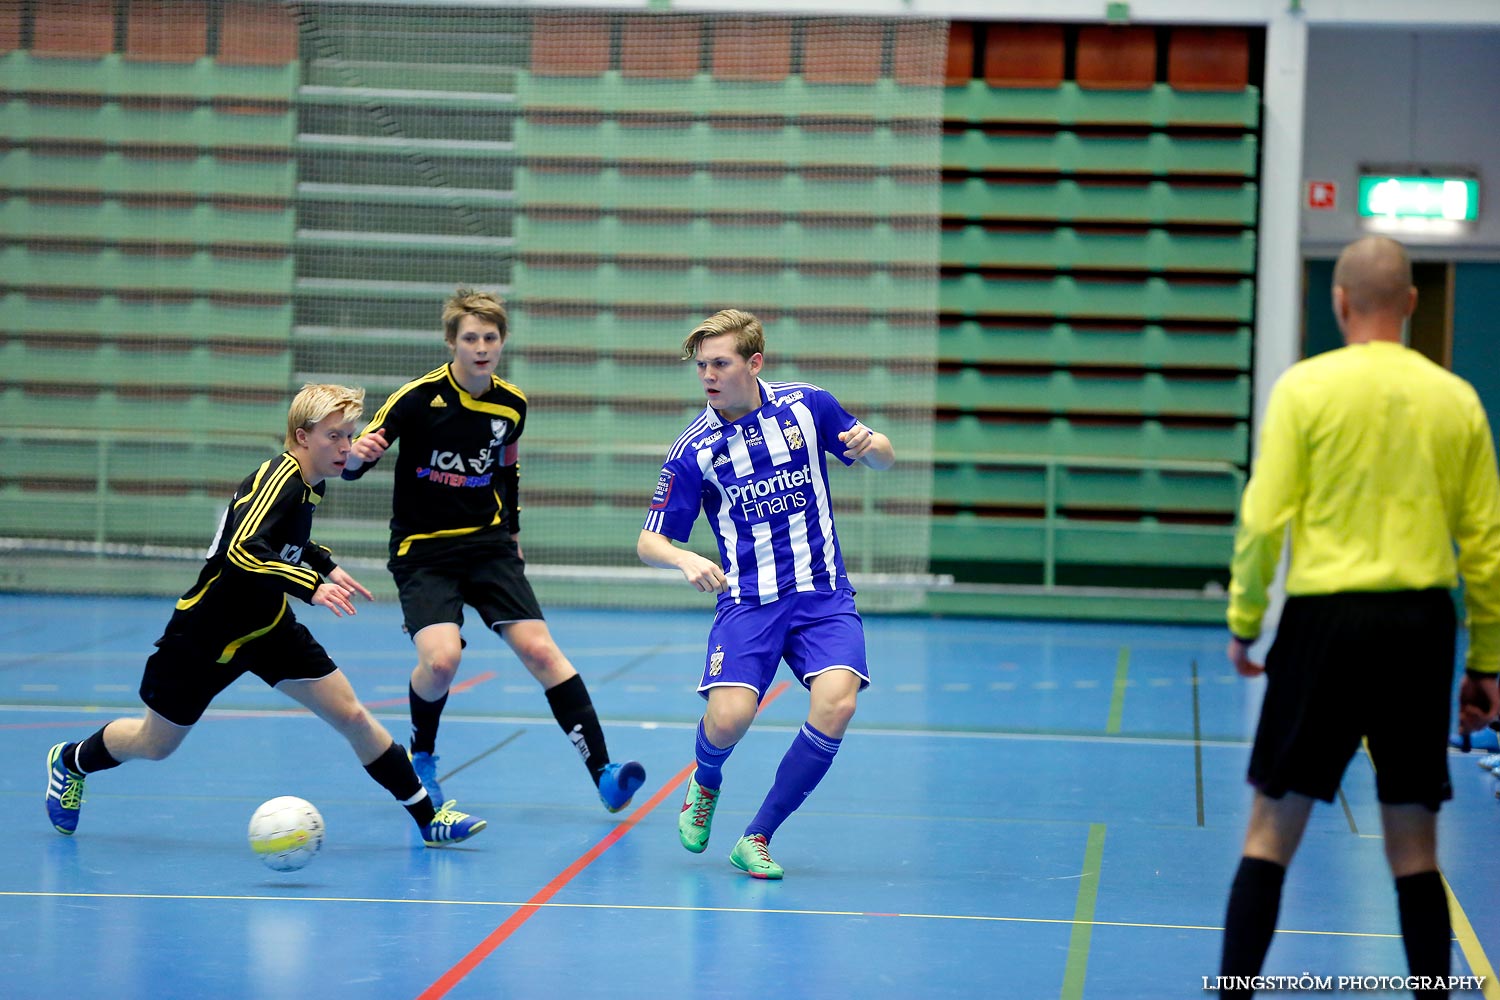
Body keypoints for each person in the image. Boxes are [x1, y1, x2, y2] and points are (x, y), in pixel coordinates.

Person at [1218, 236, 1500, 998]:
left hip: (1324, 626)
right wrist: (1487, 663)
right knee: (1416, 846)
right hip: (1420, 628)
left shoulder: (1305, 391)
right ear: (1409, 304)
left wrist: (1246, 622)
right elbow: (1485, 544)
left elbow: (1263, 519)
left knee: (1270, 834)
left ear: (1340, 303)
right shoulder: (1458, 400)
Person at [44, 384, 486, 848]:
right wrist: (311, 586)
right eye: (334, 436)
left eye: (349, 436)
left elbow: (284, 539)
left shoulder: (308, 486)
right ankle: (71, 761)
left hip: (269, 627)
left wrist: (322, 562)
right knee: (156, 744)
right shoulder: (283, 477)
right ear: (302, 435)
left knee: (352, 716)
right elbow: (242, 548)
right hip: (205, 633)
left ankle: (428, 819)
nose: (346, 448)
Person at [340, 288, 645, 813]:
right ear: (451, 342)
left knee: (542, 651)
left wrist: (514, 531)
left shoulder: (511, 404)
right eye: (470, 338)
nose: (481, 346)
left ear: (501, 342)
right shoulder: (416, 398)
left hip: (488, 547)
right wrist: (355, 458)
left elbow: (507, 469)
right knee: (440, 663)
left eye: (490, 337)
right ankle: (424, 757)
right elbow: (354, 463)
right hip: (424, 552)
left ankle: (604, 773)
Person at [636, 308, 895, 879]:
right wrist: (684, 558)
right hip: (749, 601)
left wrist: (873, 441)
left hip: (822, 594)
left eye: (720, 363)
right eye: (701, 365)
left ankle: (757, 835)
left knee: (838, 703)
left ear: (754, 363)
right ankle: (705, 780)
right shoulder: (693, 450)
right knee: (728, 720)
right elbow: (649, 540)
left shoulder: (809, 405)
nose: (708, 374)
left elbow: (883, 457)